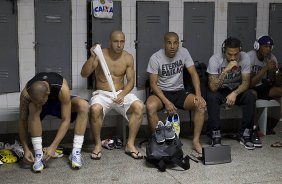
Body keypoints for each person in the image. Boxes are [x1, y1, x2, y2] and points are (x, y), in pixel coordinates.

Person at [81, 30, 144, 160]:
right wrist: (92, 56)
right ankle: (98, 145)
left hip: (121, 93)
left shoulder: (128, 57)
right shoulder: (100, 54)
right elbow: (84, 73)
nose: (119, 45)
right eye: (116, 41)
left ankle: (130, 144)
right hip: (102, 94)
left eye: (122, 41)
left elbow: (131, 81)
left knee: (139, 106)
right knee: (94, 109)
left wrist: (124, 94)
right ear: (110, 42)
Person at [146, 32, 206, 154]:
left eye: (175, 42)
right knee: (150, 107)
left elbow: (194, 73)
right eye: (169, 43)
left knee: (201, 105)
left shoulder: (184, 52)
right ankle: (158, 142)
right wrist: (166, 102)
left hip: (179, 91)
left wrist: (198, 95)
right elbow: (153, 84)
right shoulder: (155, 58)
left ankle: (195, 142)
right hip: (161, 92)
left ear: (179, 43)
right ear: (164, 44)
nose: (172, 46)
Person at [18, 72, 89, 172]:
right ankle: (38, 155)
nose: (38, 104)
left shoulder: (62, 88)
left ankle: (76, 152)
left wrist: (53, 146)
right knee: (33, 107)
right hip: (43, 108)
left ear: (47, 94)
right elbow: (22, 121)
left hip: (58, 103)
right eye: (35, 101)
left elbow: (66, 119)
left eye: (40, 102)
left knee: (84, 105)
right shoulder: (26, 93)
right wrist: (26, 149)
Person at [206, 37, 256, 150]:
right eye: (229, 54)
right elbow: (213, 87)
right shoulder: (215, 59)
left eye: (236, 54)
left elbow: (246, 83)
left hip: (235, 89)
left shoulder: (245, 57)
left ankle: (246, 134)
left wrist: (235, 93)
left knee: (250, 96)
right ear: (224, 51)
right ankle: (215, 134)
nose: (233, 57)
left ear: (240, 51)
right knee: (211, 97)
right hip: (220, 90)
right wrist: (226, 70)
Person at [247, 35, 282, 148]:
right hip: (250, 88)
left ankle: (277, 124)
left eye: (270, 46)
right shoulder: (250, 57)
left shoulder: (272, 58)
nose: (268, 49)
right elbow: (249, 83)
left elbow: (277, 83)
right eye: (265, 46)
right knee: (252, 95)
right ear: (257, 46)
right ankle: (252, 129)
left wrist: (276, 72)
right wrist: (265, 69)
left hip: (264, 86)